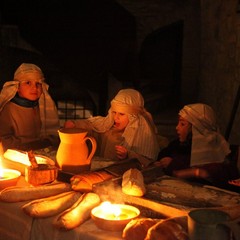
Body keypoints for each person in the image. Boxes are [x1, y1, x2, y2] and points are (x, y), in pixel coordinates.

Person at [64, 88, 160, 167]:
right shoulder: (108, 129)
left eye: (121, 114)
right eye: (114, 112)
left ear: (133, 118)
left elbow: (147, 163)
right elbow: (93, 126)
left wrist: (128, 155)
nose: (115, 117)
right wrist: (75, 124)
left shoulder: (143, 136)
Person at [154, 103, 239, 188]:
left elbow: (211, 172)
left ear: (196, 129)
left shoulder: (214, 151)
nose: (177, 127)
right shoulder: (178, 145)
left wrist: (176, 165)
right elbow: (166, 154)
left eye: (182, 124)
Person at [0, 63, 60, 151]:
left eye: (38, 83)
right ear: (17, 87)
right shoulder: (8, 110)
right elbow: (3, 141)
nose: (35, 88)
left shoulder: (43, 108)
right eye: (28, 83)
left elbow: (53, 136)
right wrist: (31, 143)